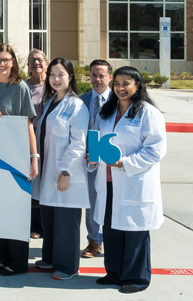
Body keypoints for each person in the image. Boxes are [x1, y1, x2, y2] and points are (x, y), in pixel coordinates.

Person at [88, 66, 167, 294]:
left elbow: (155, 149)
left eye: (126, 84)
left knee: (134, 231)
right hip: (109, 181)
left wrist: (126, 163)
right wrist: (92, 155)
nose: (121, 88)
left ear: (137, 86)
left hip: (134, 182)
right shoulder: (107, 111)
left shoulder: (148, 113)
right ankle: (113, 273)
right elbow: (99, 141)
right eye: (118, 84)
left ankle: (136, 278)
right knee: (112, 230)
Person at [0, 43, 39, 276]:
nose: (1, 63)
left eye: (6, 59)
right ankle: (3, 259)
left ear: (13, 62)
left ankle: (18, 262)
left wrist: (34, 158)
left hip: (15, 157)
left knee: (14, 212)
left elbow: (28, 123)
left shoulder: (20, 87)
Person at [33, 57, 90, 281]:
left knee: (66, 222)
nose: (56, 79)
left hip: (65, 174)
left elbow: (78, 142)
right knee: (50, 218)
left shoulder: (76, 105)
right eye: (52, 75)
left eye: (61, 75)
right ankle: (50, 259)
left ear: (70, 77)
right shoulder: (50, 102)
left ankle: (67, 267)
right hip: (48, 171)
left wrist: (66, 172)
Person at [80, 59, 113, 259]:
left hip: (111, 162)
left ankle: (112, 238)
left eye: (102, 75)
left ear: (110, 77)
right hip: (87, 160)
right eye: (94, 75)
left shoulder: (118, 101)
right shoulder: (81, 100)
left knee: (111, 201)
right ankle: (94, 241)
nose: (97, 79)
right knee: (91, 202)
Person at [23, 48, 49, 238]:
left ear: (46, 63)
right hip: (28, 141)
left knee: (46, 181)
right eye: (32, 60)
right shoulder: (23, 86)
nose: (36, 63)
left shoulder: (52, 86)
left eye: (40, 60)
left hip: (48, 140)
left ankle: (44, 223)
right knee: (31, 180)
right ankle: (33, 225)